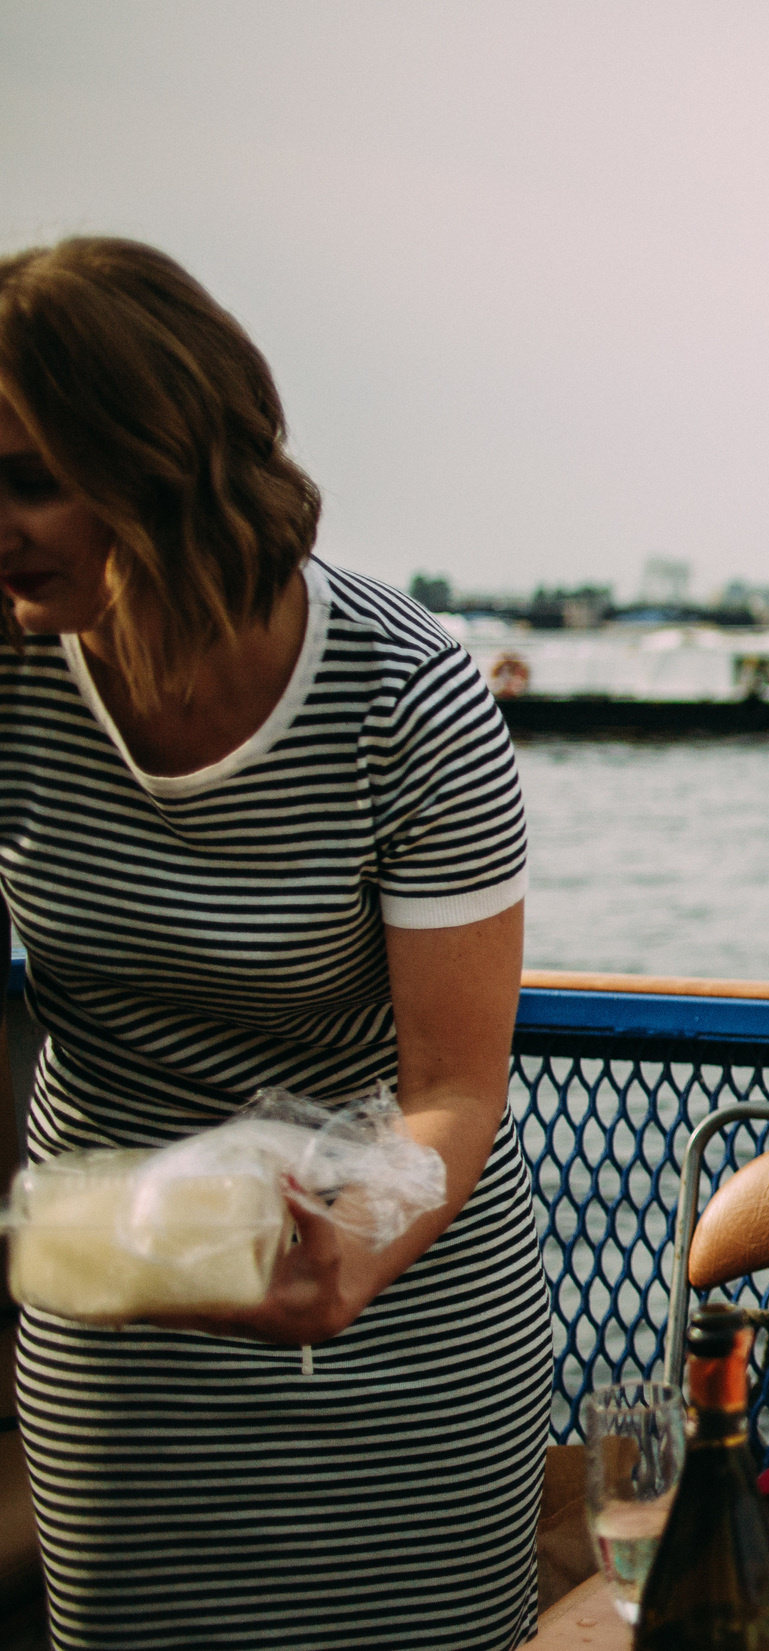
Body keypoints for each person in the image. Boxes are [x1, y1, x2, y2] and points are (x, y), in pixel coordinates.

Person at [0, 238, 550, 1648]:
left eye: (29, 477)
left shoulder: (407, 697)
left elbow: (456, 1089)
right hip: (112, 1316)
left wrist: (357, 1245)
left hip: (397, 1316)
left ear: (159, 467)